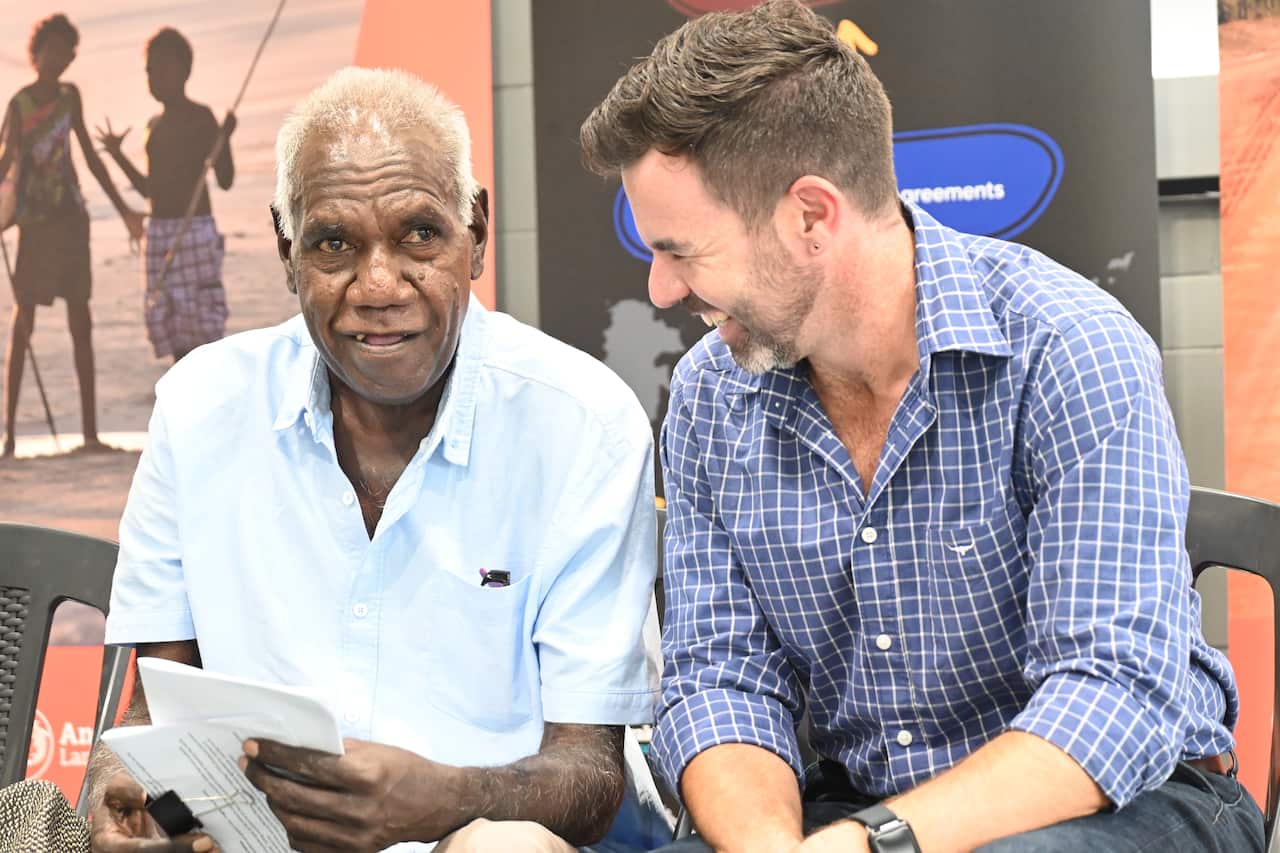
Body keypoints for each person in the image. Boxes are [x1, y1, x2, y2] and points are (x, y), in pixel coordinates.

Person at [579, 2, 1265, 851]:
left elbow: (1111, 698)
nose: (661, 290)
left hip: (1127, 797)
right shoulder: (710, 396)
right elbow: (723, 681)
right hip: (857, 805)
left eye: (682, 250)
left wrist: (874, 843)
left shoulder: (1069, 348)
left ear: (811, 216)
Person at [86, 67, 668, 853]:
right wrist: (119, 796)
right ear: (287, 250)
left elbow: (590, 775)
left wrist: (446, 801)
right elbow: (153, 709)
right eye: (334, 244)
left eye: (419, 234)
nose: (379, 285)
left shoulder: (583, 425)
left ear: (477, 234)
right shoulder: (198, 410)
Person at [0, 13, 146, 458]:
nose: (59, 59)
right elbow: (6, 163)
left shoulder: (69, 97)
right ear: (38, 51)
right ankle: (9, 438)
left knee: (81, 322)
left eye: (66, 52)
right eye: (53, 50)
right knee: (23, 323)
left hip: (72, 223)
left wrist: (124, 209)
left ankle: (89, 434)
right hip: (35, 226)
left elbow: (89, 158)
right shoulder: (20, 104)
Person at [97, 27, 236, 364]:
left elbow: (226, 179)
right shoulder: (153, 125)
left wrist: (225, 138)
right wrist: (117, 155)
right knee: (171, 326)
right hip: (159, 233)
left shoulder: (200, 117)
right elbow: (149, 190)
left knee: (203, 330)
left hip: (194, 230)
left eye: (162, 68)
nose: (154, 77)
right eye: (149, 70)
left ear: (185, 71)